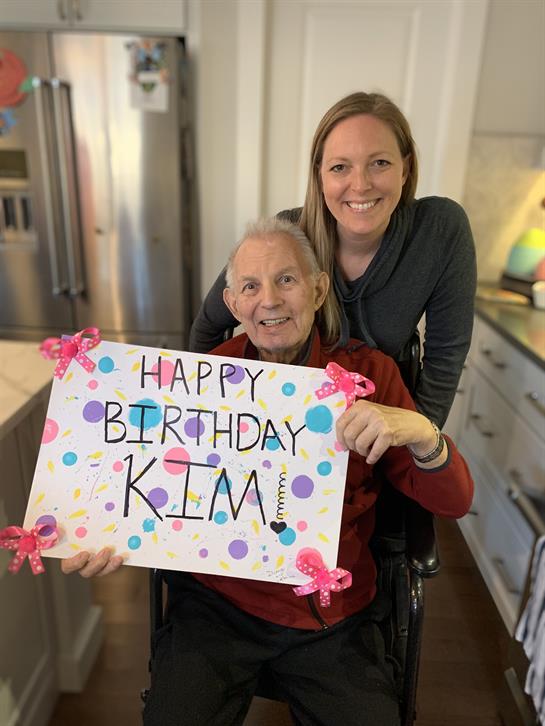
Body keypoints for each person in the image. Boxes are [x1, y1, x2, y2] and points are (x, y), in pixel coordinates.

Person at [62, 218, 474, 726]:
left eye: (286, 280)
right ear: (233, 305)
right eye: (251, 287)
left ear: (318, 289)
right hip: (219, 604)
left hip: (332, 613)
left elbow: (453, 502)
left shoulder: (368, 375)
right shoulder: (206, 377)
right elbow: (158, 485)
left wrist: (421, 433)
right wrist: (106, 531)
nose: (270, 301)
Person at [189, 91, 477, 428]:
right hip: (285, 432)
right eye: (340, 167)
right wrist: (208, 428)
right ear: (320, 176)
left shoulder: (440, 230)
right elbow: (208, 328)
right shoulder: (288, 235)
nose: (360, 185)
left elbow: (445, 359)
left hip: (380, 428)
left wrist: (414, 447)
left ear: (405, 168)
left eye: (380, 163)